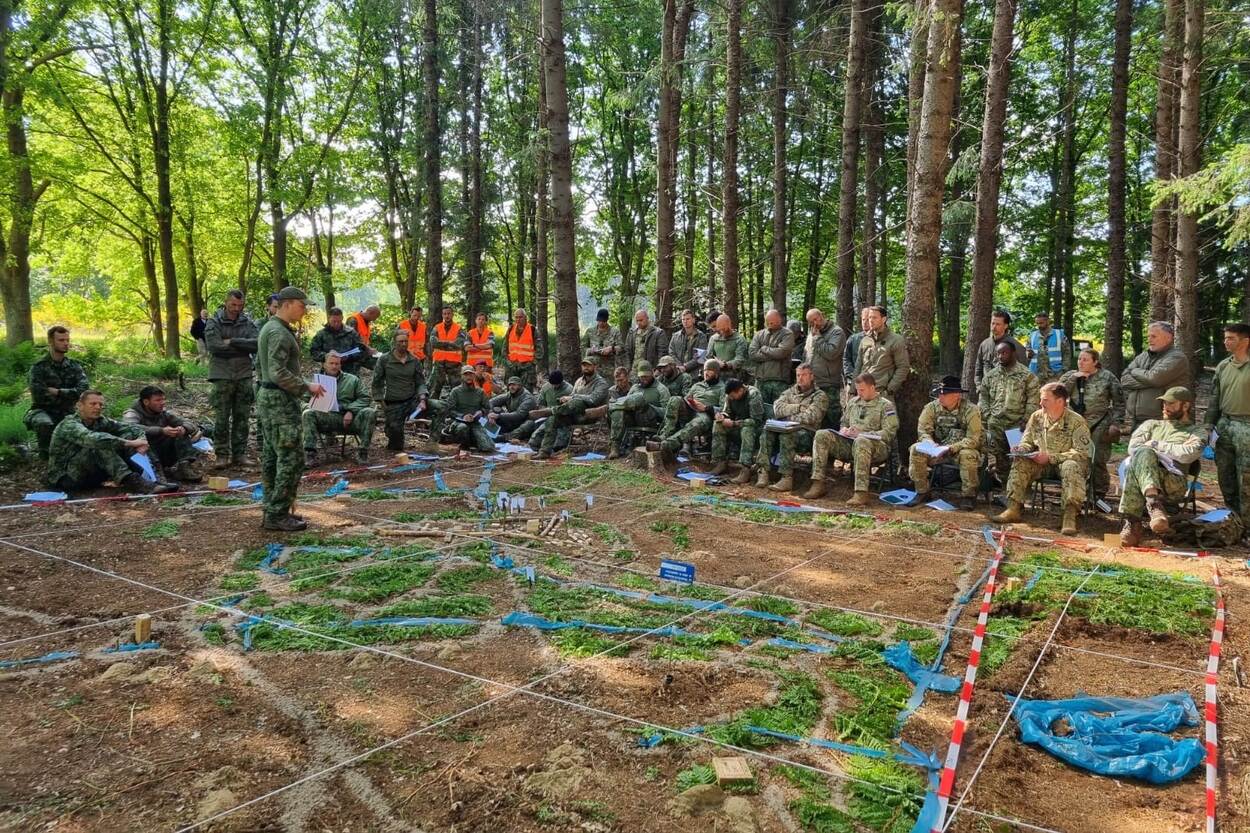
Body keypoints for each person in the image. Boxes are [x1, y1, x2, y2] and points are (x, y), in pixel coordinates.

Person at [256, 286, 325, 531]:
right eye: (302, 305)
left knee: (273, 456)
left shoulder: (272, 328)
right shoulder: (278, 332)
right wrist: (306, 386)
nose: (304, 310)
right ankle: (276, 513)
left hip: (271, 399)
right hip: (279, 401)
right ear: (288, 304)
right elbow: (277, 372)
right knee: (291, 458)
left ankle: (274, 508)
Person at [992, 382, 1091, 535]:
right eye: (1041, 399)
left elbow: (1082, 453)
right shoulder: (1037, 417)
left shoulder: (1076, 421)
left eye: (1045, 400)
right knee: (1021, 460)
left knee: (1071, 465)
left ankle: (1069, 517)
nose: (1040, 403)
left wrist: (1051, 457)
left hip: (1064, 463)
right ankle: (1013, 508)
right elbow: (1027, 440)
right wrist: (1022, 449)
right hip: (1041, 463)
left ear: (1060, 401)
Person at [1119, 387, 1209, 544]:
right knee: (1143, 454)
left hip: (1173, 482)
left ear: (1186, 406)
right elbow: (1133, 447)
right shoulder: (1151, 425)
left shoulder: (1196, 431)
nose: (1166, 407)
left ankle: (1133, 524)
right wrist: (1169, 450)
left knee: (1143, 455)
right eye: (1164, 403)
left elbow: (1188, 454)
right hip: (1146, 475)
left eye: (1171, 403)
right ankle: (1154, 505)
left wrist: (1156, 444)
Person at [47, 390, 176, 494]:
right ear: (79, 405)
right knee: (100, 443)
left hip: (92, 473)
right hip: (66, 477)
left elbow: (131, 428)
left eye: (100, 405)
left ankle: (156, 478)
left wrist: (141, 441)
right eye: (93, 404)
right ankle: (135, 482)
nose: (98, 407)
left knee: (129, 435)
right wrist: (131, 443)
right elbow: (92, 439)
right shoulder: (69, 424)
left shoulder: (100, 420)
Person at [806, 373, 899, 504]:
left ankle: (861, 493)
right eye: (857, 390)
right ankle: (817, 483)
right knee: (822, 434)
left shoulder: (885, 405)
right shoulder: (853, 403)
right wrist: (844, 430)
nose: (859, 393)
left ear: (872, 388)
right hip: (850, 443)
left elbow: (890, 433)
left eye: (862, 390)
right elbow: (844, 422)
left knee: (862, 441)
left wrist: (863, 434)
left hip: (876, 447)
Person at [203, 290, 260, 469]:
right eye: (233, 305)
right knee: (221, 417)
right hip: (221, 374)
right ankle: (221, 454)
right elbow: (214, 346)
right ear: (226, 303)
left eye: (240, 305)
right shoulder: (214, 322)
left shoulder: (247, 322)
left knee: (242, 416)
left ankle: (239, 454)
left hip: (243, 374)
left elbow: (256, 343)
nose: (236, 308)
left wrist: (232, 341)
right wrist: (242, 346)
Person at [909, 376, 984, 510]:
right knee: (916, 449)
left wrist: (951, 448)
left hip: (959, 450)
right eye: (939, 392)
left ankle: (968, 496)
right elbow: (923, 430)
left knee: (968, 454)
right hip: (936, 449)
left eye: (944, 393)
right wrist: (929, 443)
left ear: (956, 395)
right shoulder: (931, 407)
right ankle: (923, 491)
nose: (940, 396)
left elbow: (973, 439)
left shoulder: (971, 410)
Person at [1060, 348, 1125, 500]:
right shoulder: (1070, 375)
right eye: (1079, 359)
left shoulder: (1107, 377)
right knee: (1074, 457)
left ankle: (1098, 494)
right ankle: (1075, 492)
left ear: (1095, 362)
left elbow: (1119, 402)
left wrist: (1116, 424)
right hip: (1075, 423)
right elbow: (1057, 394)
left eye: (1085, 360)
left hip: (1099, 423)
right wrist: (1073, 379)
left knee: (1097, 458)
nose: (1081, 362)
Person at [757, 363, 830, 491]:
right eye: (798, 375)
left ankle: (786, 478)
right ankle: (763, 472)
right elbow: (777, 409)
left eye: (804, 375)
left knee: (787, 435)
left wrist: (786, 416)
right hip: (784, 428)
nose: (800, 378)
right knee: (767, 431)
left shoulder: (819, 396)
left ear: (812, 376)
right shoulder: (790, 392)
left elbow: (810, 417)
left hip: (807, 433)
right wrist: (798, 408)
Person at [1206, 323, 1250, 534]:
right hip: (1225, 425)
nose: (1226, 341)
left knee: (1246, 478)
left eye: (1231, 338)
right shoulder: (1223, 366)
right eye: (1225, 338)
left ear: (1245, 341)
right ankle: (1234, 520)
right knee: (1226, 475)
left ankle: (1248, 525)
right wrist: (1208, 425)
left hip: (1247, 426)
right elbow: (1215, 398)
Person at [24, 326, 89, 460]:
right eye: (61, 340)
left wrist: (59, 392)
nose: (66, 343)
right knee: (44, 423)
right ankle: (46, 456)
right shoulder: (39, 367)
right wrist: (71, 394)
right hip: (43, 410)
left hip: (68, 409)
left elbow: (84, 391)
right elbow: (40, 396)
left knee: (88, 424)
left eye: (67, 340)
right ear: (50, 342)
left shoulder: (74, 366)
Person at [979, 341, 1041, 482]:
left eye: (1004, 353)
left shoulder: (1027, 375)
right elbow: (983, 397)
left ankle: (1020, 488)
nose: (1000, 356)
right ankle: (1003, 487)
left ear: (1013, 353)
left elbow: (1033, 400)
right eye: (998, 354)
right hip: (996, 423)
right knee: (999, 458)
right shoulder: (991, 375)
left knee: (1019, 458)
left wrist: (1026, 420)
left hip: (1018, 424)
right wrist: (988, 415)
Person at [302, 351, 376, 466]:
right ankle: (310, 455)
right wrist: (314, 406)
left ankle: (362, 452)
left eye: (337, 363)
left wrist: (350, 410)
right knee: (307, 413)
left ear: (340, 365)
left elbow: (365, 398)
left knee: (369, 412)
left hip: (349, 420)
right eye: (331, 363)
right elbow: (303, 400)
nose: (334, 366)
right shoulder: (316, 382)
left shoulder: (352, 380)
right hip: (326, 418)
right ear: (324, 365)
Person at [122, 385, 207, 482]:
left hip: (163, 452)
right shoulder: (132, 413)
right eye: (158, 400)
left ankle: (184, 467)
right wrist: (161, 430)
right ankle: (155, 475)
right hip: (145, 453)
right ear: (146, 402)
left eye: (163, 399)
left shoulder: (164, 413)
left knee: (180, 434)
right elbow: (129, 428)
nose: (162, 403)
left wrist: (183, 428)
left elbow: (190, 424)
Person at [534, 356, 610, 459]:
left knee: (577, 402)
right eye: (584, 365)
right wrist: (566, 399)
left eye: (588, 365)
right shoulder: (579, 381)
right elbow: (572, 397)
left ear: (595, 367)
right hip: (574, 415)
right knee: (552, 419)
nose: (585, 368)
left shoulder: (601, 383)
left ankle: (551, 411)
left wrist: (573, 397)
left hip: (590, 415)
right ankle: (544, 451)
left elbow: (593, 400)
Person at [1121, 321, 1189, 430]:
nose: (1149, 340)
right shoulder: (1143, 356)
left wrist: (1134, 371)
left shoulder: (1177, 358)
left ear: (1168, 338)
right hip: (1137, 421)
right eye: (1148, 336)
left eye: (1153, 336)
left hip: (1164, 420)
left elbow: (1154, 378)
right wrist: (1149, 380)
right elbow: (1124, 380)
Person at [372, 329, 430, 452]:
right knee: (395, 441)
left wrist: (423, 399)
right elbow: (377, 383)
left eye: (405, 341)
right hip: (394, 402)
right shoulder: (384, 359)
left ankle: (434, 441)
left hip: (412, 400)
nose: (403, 344)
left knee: (439, 407)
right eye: (400, 341)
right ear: (394, 342)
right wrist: (382, 403)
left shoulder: (414, 360)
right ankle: (392, 430)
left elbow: (421, 382)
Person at [652, 359, 725, 454]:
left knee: (696, 423)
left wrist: (706, 408)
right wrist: (689, 402)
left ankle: (667, 444)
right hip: (691, 410)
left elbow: (724, 409)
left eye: (709, 371)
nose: (705, 373)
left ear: (716, 373)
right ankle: (664, 434)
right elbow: (686, 399)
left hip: (705, 415)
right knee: (675, 399)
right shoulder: (697, 385)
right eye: (704, 371)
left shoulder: (722, 388)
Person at [606, 361, 670, 459]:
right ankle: (615, 446)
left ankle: (614, 405)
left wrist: (650, 407)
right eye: (641, 377)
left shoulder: (661, 389)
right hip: (634, 418)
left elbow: (667, 412)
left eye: (646, 377)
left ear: (652, 374)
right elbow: (626, 402)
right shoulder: (635, 387)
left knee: (639, 399)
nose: (644, 379)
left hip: (651, 418)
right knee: (619, 410)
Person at [711, 378, 763, 482]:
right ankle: (720, 462)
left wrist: (734, 423)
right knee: (718, 425)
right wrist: (722, 416)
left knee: (747, 429)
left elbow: (756, 420)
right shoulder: (730, 396)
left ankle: (745, 468)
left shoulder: (753, 394)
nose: (731, 398)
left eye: (733, 396)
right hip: (738, 426)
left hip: (755, 429)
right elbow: (727, 411)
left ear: (740, 390)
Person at [432, 366, 495, 452]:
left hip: (476, 423)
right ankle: (462, 444)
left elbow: (487, 408)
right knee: (463, 428)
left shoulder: (480, 392)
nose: (468, 377)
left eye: (471, 374)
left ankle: (473, 439)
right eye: (466, 374)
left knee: (487, 447)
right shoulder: (456, 391)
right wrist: (463, 416)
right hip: (459, 422)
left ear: (474, 376)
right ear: (462, 376)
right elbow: (450, 410)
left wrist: (480, 413)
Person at [804, 308, 846, 428]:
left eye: (816, 319)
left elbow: (831, 353)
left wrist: (818, 338)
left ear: (823, 315)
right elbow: (806, 356)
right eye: (811, 322)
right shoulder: (812, 334)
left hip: (829, 383)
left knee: (832, 417)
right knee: (815, 419)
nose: (815, 324)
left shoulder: (837, 332)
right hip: (813, 383)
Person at [856, 306, 908, 401]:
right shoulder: (865, 340)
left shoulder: (895, 340)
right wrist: (852, 391)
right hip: (862, 393)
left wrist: (889, 391)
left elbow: (903, 367)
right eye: (869, 317)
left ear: (883, 319)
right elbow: (858, 366)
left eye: (874, 317)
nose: (870, 321)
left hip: (881, 394)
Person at [513, 370, 574, 445]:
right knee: (530, 433)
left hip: (562, 420)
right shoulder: (546, 388)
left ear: (561, 382)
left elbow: (572, 407)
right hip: (545, 417)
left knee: (558, 444)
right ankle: (508, 436)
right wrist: (543, 412)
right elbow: (540, 403)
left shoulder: (569, 389)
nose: (554, 386)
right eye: (552, 384)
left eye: (556, 385)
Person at [749, 309, 796, 405]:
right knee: (760, 409)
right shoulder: (759, 335)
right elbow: (752, 354)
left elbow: (782, 353)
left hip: (780, 381)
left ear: (779, 320)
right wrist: (774, 354)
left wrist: (764, 349)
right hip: (760, 381)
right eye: (768, 322)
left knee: (779, 411)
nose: (770, 324)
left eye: (773, 321)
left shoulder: (787, 334)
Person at [974, 309, 1028, 389]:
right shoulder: (985, 344)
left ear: (1005, 326)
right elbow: (978, 369)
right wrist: (979, 387)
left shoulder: (1016, 346)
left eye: (998, 324)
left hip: (1006, 394)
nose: (994, 327)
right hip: (986, 393)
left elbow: (1024, 373)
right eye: (992, 323)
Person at [311, 307, 370, 377]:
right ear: (329, 318)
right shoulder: (321, 334)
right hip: (329, 373)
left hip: (350, 373)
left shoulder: (351, 333)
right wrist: (327, 356)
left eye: (338, 321)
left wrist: (348, 357)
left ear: (342, 318)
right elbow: (314, 352)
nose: (336, 324)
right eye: (333, 321)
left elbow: (361, 350)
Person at [430, 305, 467, 398]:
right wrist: (450, 343)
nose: (447, 316)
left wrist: (441, 343)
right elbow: (433, 343)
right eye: (445, 314)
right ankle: (433, 407)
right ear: (442, 315)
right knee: (435, 387)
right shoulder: (437, 327)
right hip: (439, 362)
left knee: (456, 387)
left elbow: (459, 344)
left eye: (449, 313)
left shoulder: (459, 328)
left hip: (454, 363)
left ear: (452, 314)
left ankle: (457, 407)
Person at [1026, 312, 1070, 381]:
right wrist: (1028, 354)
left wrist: (1064, 370)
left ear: (1048, 321)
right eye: (1037, 323)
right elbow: (1027, 350)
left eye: (1041, 323)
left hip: (1055, 375)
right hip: (1036, 375)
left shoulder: (1059, 334)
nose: (1039, 326)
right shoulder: (1032, 335)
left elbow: (1067, 353)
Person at [624, 310, 669, 376]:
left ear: (647, 319)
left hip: (650, 371)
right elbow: (627, 351)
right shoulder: (632, 333)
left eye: (641, 320)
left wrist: (658, 369)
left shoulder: (658, 333)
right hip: (634, 371)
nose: (639, 323)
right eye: (637, 320)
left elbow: (662, 353)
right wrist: (628, 367)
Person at [706, 314, 750, 382]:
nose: (722, 332)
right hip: (717, 377)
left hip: (735, 377)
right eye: (720, 329)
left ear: (729, 325)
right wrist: (716, 362)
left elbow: (740, 359)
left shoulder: (739, 339)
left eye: (724, 329)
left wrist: (726, 365)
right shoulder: (713, 339)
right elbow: (709, 356)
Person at [582, 308, 623, 379]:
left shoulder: (615, 332)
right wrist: (590, 350)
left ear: (606, 320)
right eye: (599, 321)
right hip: (593, 370)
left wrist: (611, 349)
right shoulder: (590, 332)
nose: (600, 323)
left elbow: (622, 348)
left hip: (609, 371)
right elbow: (582, 347)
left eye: (603, 321)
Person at [504, 308, 539, 389]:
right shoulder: (510, 329)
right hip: (512, 366)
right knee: (511, 391)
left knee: (526, 392)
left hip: (527, 367)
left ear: (526, 317)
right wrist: (507, 362)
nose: (518, 319)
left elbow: (540, 349)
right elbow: (504, 348)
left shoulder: (532, 330)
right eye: (516, 317)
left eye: (520, 317)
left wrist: (532, 363)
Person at [668, 308, 708, 375]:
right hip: (677, 373)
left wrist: (685, 367)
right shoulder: (675, 336)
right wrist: (679, 366)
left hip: (695, 374)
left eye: (688, 319)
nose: (685, 321)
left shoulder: (701, 336)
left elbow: (700, 357)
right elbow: (671, 352)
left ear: (693, 320)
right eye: (683, 319)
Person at [843, 307, 872, 395]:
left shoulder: (881, 340)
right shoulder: (853, 339)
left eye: (868, 320)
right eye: (863, 319)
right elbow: (846, 359)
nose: (865, 323)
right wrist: (852, 378)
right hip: (854, 381)